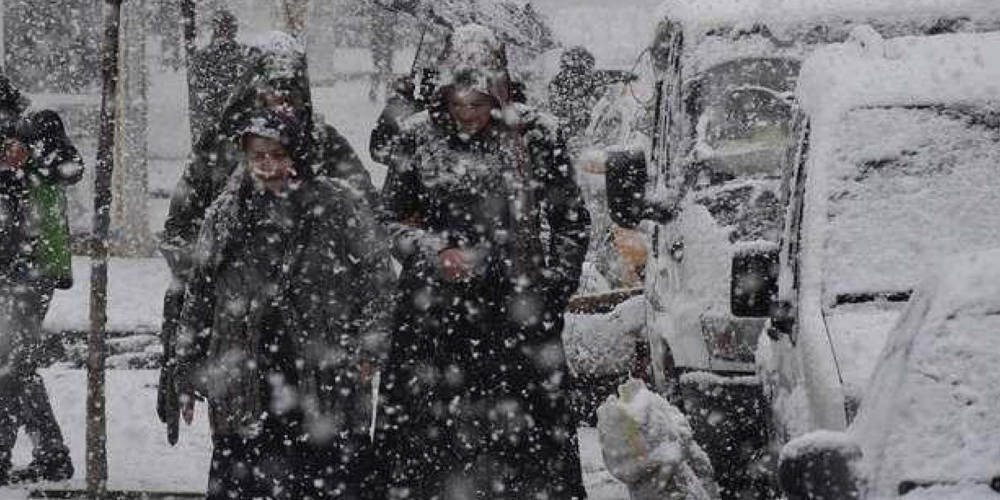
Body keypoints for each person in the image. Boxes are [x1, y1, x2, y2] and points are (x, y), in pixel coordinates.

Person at [376, 24, 592, 500]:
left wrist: (551, 291)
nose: (469, 116)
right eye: (459, 104)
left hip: (516, 325)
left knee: (525, 461)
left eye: (479, 104)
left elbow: (572, 223)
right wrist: (434, 252)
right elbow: (387, 219)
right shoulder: (418, 138)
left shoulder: (535, 136)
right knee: (432, 459)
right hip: (433, 325)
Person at [157, 31, 379, 444]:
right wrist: (223, 275)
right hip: (239, 334)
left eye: (290, 92)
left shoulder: (325, 145)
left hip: (316, 334)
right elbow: (180, 231)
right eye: (270, 91)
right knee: (246, 446)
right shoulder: (220, 146)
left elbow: (368, 228)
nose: (280, 102)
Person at [174, 109, 394, 500]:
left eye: (278, 154)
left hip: (322, 365)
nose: (268, 165)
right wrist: (187, 366)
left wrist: (371, 343)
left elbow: (377, 278)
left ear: (298, 156)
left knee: (325, 472)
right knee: (248, 473)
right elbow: (199, 294)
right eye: (258, 155)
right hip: (246, 369)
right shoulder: (226, 214)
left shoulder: (338, 206)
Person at [0, 107, 85, 485]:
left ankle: (32, 455)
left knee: (11, 367)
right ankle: (51, 455)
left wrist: (28, 151)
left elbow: (71, 165)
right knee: (15, 367)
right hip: (13, 267)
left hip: (33, 268)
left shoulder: (37, 124)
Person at [189, 9, 249, 140]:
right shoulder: (203, 56)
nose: (225, 31)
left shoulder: (242, 55)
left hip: (230, 122)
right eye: (222, 27)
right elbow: (198, 94)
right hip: (219, 121)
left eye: (227, 27)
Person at [548, 46, 602, 144]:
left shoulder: (559, 80)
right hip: (567, 129)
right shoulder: (559, 82)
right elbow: (556, 107)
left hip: (572, 128)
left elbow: (604, 76)